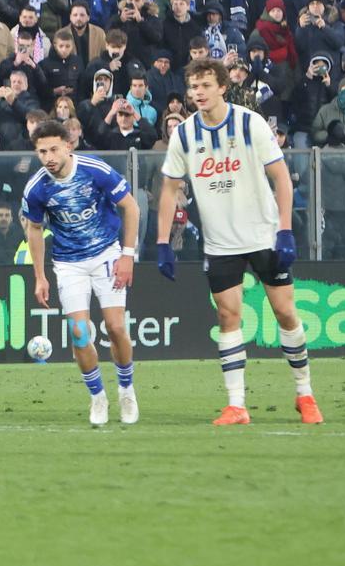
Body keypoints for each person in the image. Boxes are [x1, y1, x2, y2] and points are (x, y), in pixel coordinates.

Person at [156, 59, 324, 426]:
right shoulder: (183, 134)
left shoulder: (251, 123)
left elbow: (281, 178)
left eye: (205, 85)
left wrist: (284, 229)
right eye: (193, 87)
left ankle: (304, 393)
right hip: (220, 242)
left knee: (285, 312)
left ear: (222, 87)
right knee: (228, 315)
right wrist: (163, 242)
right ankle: (237, 405)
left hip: (263, 234)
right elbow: (169, 189)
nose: (198, 93)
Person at [22, 120, 141, 425]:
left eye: (53, 149)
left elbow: (132, 207)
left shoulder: (94, 169)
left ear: (68, 146)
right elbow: (34, 230)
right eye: (41, 151)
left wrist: (127, 256)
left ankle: (126, 389)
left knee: (115, 327)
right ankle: (97, 397)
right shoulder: (37, 188)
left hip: (107, 255)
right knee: (79, 333)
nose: (48, 156)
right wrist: (39, 276)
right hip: (69, 263)